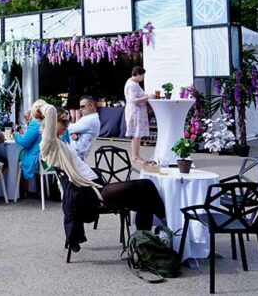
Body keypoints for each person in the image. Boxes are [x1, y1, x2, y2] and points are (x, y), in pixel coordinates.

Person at [38, 103, 166, 253]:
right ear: (52, 123)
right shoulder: (49, 144)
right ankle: (166, 221)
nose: (67, 125)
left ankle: (144, 241)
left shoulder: (60, 142)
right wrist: (38, 108)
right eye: (64, 122)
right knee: (146, 185)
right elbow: (51, 110)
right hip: (90, 193)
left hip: (94, 187)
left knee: (144, 199)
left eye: (68, 121)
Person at [14, 100, 47, 182]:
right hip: (49, 159)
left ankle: (21, 190)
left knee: (15, 157)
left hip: (38, 159)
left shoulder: (35, 123)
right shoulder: (49, 122)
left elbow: (24, 143)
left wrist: (16, 135)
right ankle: (34, 189)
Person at [125, 66, 150, 163]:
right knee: (136, 133)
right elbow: (134, 100)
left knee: (137, 134)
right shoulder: (132, 85)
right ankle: (135, 156)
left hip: (136, 111)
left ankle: (136, 155)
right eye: (142, 75)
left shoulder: (134, 83)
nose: (143, 77)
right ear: (138, 74)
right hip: (135, 111)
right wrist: (147, 97)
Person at [68, 96, 101, 161]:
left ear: (91, 106)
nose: (80, 109)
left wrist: (74, 132)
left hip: (75, 153)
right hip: (74, 151)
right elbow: (71, 129)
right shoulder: (89, 118)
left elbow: (67, 129)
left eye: (83, 107)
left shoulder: (90, 119)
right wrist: (75, 133)